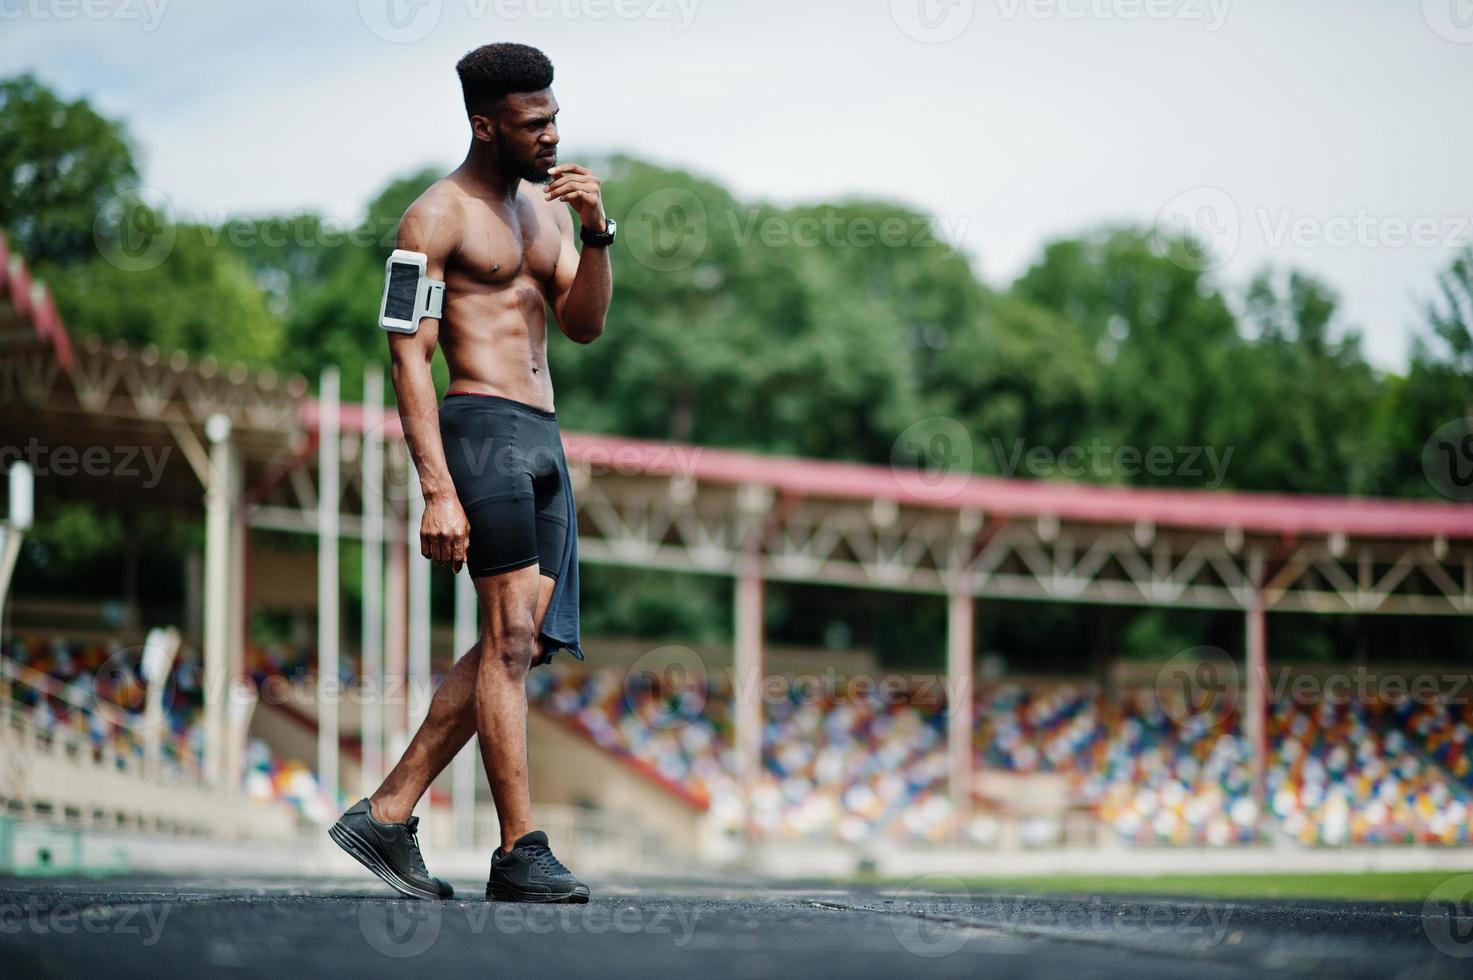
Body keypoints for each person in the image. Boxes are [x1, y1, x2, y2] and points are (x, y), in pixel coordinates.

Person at [329, 42, 613, 904]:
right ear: (485, 125)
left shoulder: (549, 212)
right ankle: (520, 848)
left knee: (516, 642)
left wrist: (599, 231)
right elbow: (406, 359)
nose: (552, 137)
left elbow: (585, 325)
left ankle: (386, 811)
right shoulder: (433, 217)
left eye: (555, 118)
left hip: (544, 434)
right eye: (534, 125)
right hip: (480, 427)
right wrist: (437, 488)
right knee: (510, 639)